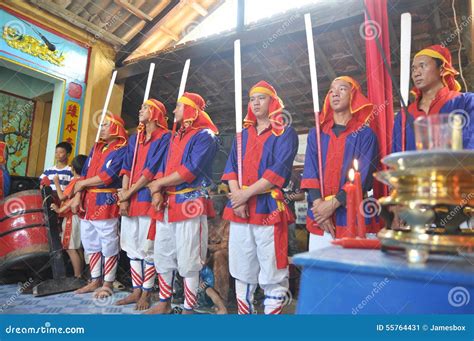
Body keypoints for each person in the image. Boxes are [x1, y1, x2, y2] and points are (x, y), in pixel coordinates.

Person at [222, 81, 298, 315]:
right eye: (252, 99)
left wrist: (244, 195)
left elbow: (277, 172)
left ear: (273, 102)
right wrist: (238, 198)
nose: (255, 103)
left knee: (272, 267)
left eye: (261, 98)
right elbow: (231, 169)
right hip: (240, 209)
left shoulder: (285, 132)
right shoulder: (241, 135)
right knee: (241, 266)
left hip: (268, 208)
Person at [146, 92, 218, 314]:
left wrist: (158, 185)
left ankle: (188, 307)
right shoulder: (174, 136)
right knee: (163, 253)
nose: (174, 111)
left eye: (178, 106)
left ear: (189, 110)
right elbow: (163, 167)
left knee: (189, 257)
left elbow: (190, 170)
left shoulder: (206, 135)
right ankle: (164, 302)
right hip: (167, 203)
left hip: (190, 202)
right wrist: (157, 192)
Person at [301, 76, 379, 251]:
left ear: (353, 96)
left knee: (353, 273)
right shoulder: (317, 133)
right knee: (321, 273)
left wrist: (331, 206)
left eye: (342, 89)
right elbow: (310, 173)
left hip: (351, 215)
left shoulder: (365, 135)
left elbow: (363, 178)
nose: (334, 93)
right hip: (320, 217)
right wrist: (320, 209)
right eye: (331, 90)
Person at [116, 99, 170, 310]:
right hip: (131, 198)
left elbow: (151, 169)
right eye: (141, 106)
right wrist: (124, 197)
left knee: (148, 248)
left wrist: (128, 192)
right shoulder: (135, 138)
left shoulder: (165, 137)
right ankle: (136, 290)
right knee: (131, 247)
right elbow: (127, 167)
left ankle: (147, 293)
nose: (140, 110)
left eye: (145, 107)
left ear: (156, 113)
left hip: (148, 197)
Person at [71, 113, 128, 298]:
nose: (101, 128)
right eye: (101, 125)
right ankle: (95, 279)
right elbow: (85, 174)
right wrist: (78, 195)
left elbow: (107, 176)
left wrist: (81, 185)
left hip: (106, 201)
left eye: (105, 125)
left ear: (116, 128)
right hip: (88, 202)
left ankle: (108, 282)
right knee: (90, 242)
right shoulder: (96, 148)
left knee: (109, 242)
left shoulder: (121, 148)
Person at [392, 44, 474, 152]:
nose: (416, 73)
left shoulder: (466, 102)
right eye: (413, 69)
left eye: (422, 66)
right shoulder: (403, 116)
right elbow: (397, 158)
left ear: (441, 69)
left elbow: (470, 147)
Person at [51, 154, 88, 278]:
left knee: (70, 248)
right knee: (78, 248)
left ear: (73, 168)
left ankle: (77, 276)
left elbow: (62, 197)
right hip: (79, 217)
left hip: (71, 218)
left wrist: (56, 182)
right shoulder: (84, 181)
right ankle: (82, 275)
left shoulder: (75, 181)